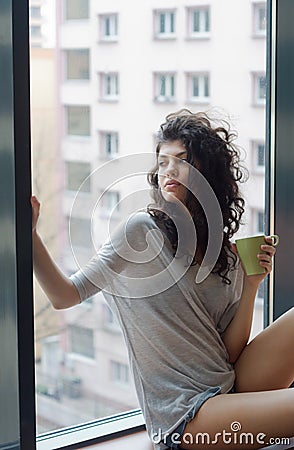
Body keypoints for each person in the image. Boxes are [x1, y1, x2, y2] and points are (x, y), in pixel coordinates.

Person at [31, 109, 294, 450]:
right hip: (186, 419)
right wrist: (31, 235)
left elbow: (227, 353)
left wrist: (251, 284)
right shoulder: (142, 233)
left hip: (229, 387)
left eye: (181, 160)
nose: (168, 170)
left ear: (207, 172)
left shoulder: (224, 254)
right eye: (162, 161)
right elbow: (64, 296)